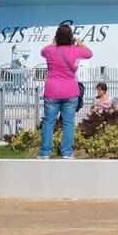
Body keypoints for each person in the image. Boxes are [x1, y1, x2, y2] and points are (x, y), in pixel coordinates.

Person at [39, 25, 92, 159]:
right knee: (68, 123)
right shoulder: (77, 51)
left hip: (52, 92)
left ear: (57, 37)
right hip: (70, 92)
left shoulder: (50, 50)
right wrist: (79, 42)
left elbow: (42, 51)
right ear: (70, 37)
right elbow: (89, 53)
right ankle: (67, 153)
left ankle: (45, 153)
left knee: (49, 122)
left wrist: (55, 41)